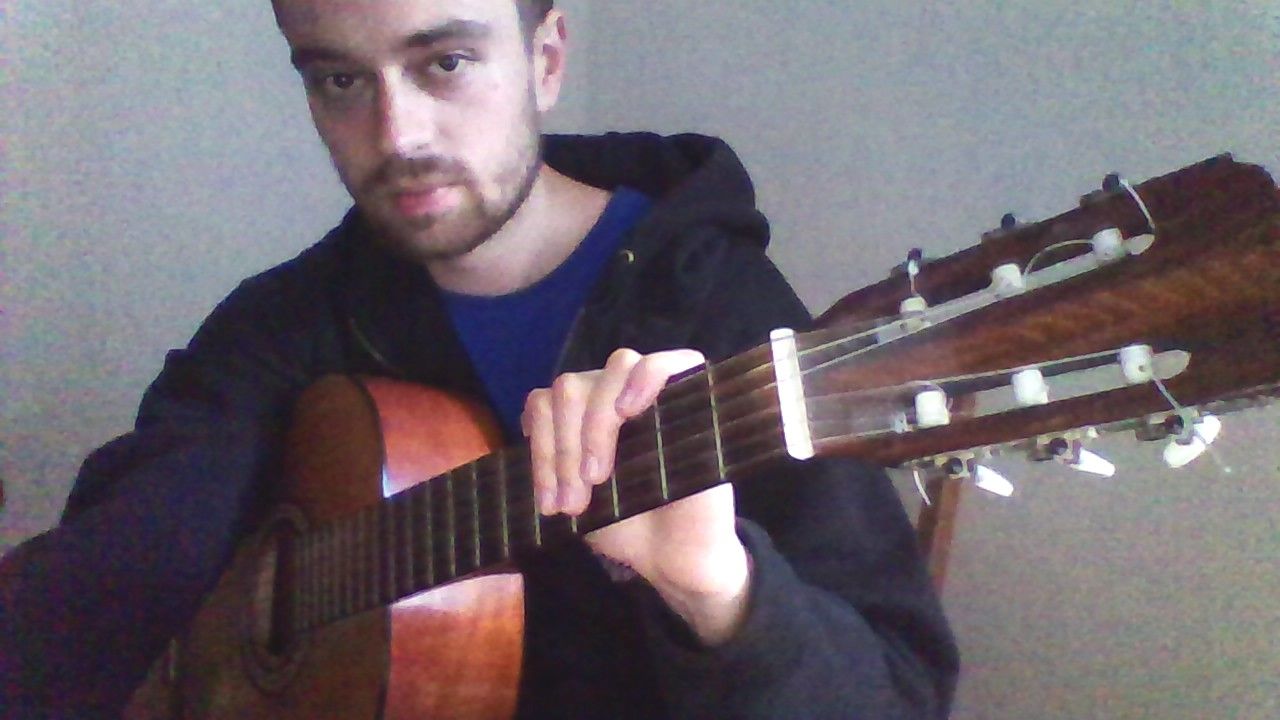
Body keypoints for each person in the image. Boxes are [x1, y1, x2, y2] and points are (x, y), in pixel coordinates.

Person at [0, 0, 959, 717]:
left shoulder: (716, 310)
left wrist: (724, 594)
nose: (398, 135)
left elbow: (895, 694)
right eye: (340, 81)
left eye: (446, 62)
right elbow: (119, 563)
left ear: (546, 59)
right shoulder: (287, 322)